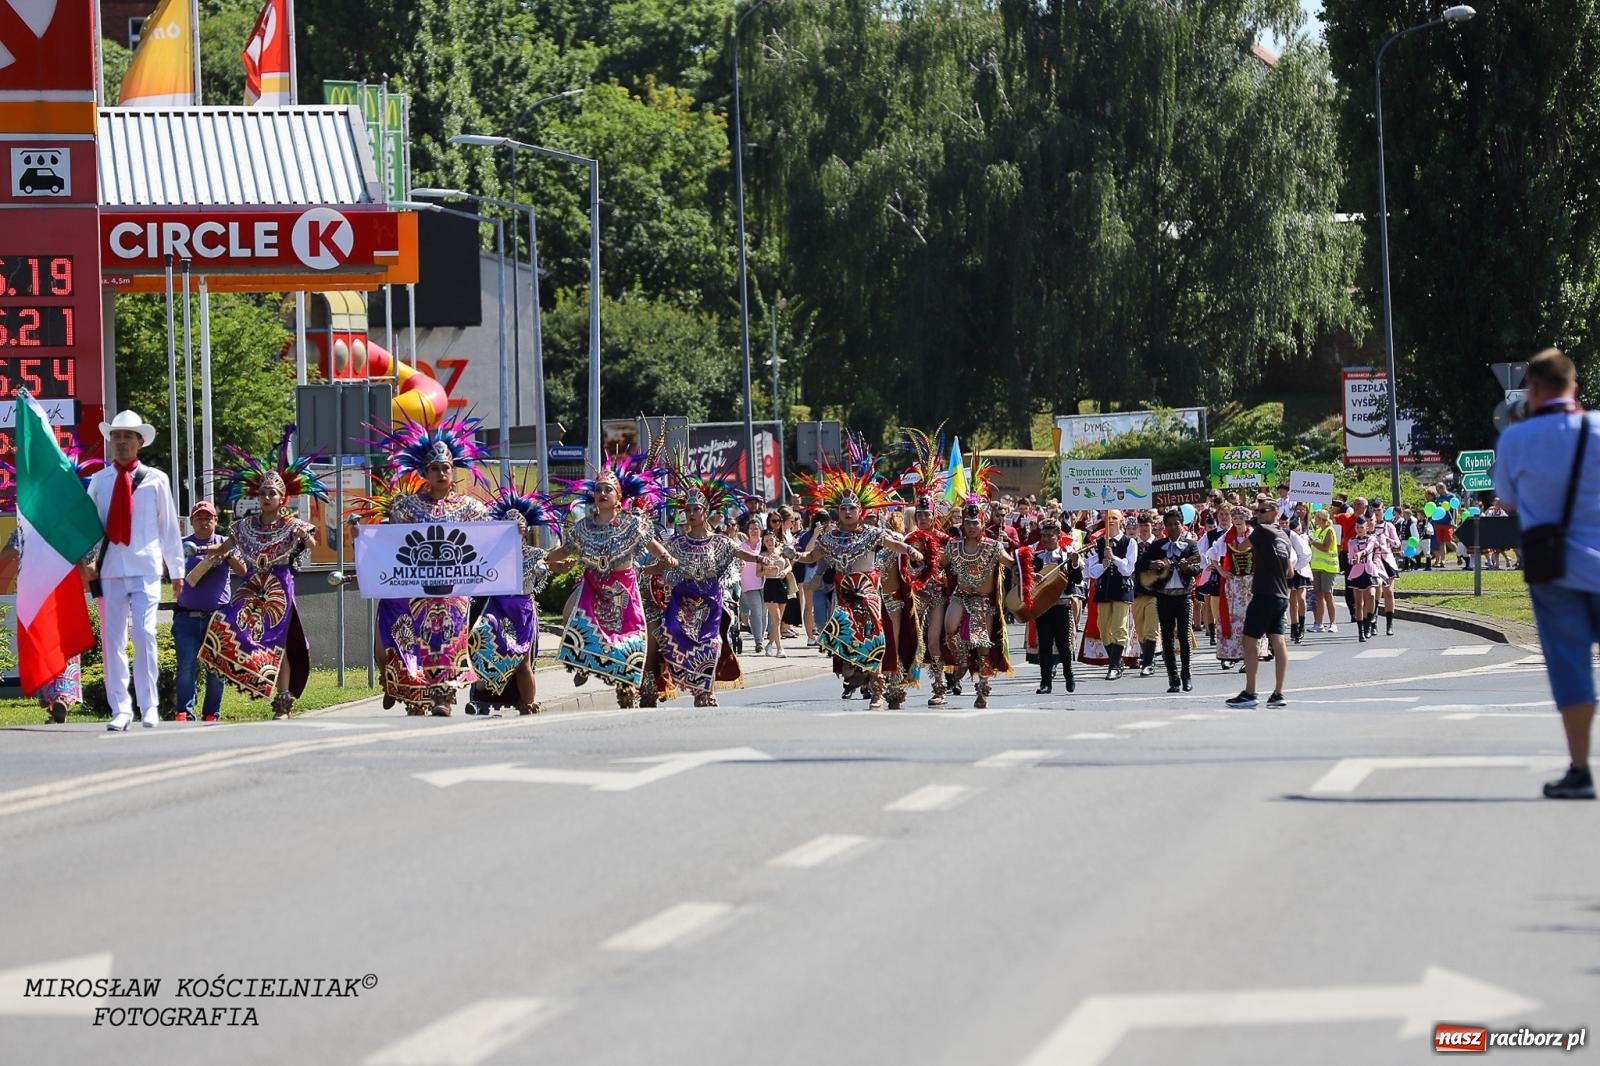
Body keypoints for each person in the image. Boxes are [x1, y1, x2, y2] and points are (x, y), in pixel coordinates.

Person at [1495, 347, 1600, 799]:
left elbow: (1509, 499)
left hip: (1554, 568)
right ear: (1573, 385)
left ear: (1533, 389)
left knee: (1571, 667)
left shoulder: (1516, 440)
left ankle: (1579, 768)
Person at [369, 416, 492, 716]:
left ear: (453, 472)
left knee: (449, 639)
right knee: (415, 643)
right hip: (416, 589)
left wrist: (512, 536)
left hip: (455, 588)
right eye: (435, 468)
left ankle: (444, 697)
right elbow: (393, 544)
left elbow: (490, 539)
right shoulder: (406, 507)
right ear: (425, 472)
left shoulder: (472, 508)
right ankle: (413, 694)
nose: (440, 472)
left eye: (446, 468)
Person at [199, 429, 326, 719]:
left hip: (280, 587)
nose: (267, 496)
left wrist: (304, 537)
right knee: (232, 629)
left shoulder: (292, 523)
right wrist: (207, 553)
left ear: (283, 498)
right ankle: (242, 674)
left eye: (273, 493)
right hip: (253, 585)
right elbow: (225, 546)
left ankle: (283, 701)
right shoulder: (245, 526)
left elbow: (312, 543)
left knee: (280, 642)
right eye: (263, 492)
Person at [546, 459, 678, 707]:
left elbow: (651, 543)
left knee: (628, 639)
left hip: (622, 589)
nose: (602, 493)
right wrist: (543, 558)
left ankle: (629, 688)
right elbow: (565, 550)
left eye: (608, 489)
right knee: (568, 614)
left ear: (619, 496)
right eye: (598, 489)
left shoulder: (632, 523)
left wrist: (665, 556)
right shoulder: (583, 527)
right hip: (592, 586)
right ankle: (583, 661)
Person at [83, 410, 186, 731]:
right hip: (110, 569)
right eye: (116, 435)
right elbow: (88, 526)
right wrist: (88, 559)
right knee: (113, 640)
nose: (121, 441)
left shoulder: (156, 479)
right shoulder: (99, 481)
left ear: (140, 442)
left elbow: (168, 527)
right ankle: (121, 708)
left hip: (146, 567)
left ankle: (149, 704)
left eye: (128, 436)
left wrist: (178, 570)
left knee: (144, 633)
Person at [791, 467, 924, 709]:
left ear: (860, 511)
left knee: (876, 640)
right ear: (837, 512)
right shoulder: (830, 538)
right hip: (844, 598)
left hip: (869, 596)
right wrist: (794, 554)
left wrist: (911, 550)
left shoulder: (872, 534)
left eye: (852, 508)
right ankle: (859, 678)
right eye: (843, 508)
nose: (848, 511)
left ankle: (878, 690)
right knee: (846, 650)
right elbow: (812, 557)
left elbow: (895, 543)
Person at [656, 476, 769, 706]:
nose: (691, 514)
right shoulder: (676, 544)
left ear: (706, 511)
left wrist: (759, 558)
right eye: (687, 510)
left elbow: (739, 553)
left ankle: (707, 691)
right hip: (683, 598)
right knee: (671, 633)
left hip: (710, 598)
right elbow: (662, 564)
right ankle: (694, 685)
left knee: (711, 643)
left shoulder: (720, 542)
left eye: (696, 509)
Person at [465, 484, 559, 716]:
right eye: (508, 527)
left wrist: (559, 567)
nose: (514, 531)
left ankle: (528, 702)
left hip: (521, 611)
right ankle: (481, 692)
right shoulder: (490, 555)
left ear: (525, 531)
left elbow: (547, 564)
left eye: (518, 527)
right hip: (496, 607)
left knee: (522, 660)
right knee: (481, 641)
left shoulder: (534, 554)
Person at [939, 496, 1017, 708]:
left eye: (976, 523)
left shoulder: (993, 546)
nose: (972, 526)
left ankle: (982, 690)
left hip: (983, 602)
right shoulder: (953, 546)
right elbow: (937, 565)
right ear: (962, 524)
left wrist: (1024, 566)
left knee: (983, 648)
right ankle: (962, 660)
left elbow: (1010, 564)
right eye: (968, 523)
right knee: (949, 627)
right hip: (960, 596)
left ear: (983, 523)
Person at [175, 500, 245, 722]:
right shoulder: (182, 544)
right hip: (186, 617)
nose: (204, 522)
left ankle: (211, 714)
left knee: (216, 669)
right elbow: (169, 572)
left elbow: (243, 571)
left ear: (216, 520)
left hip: (218, 616)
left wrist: (228, 555)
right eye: (199, 518)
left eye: (208, 518)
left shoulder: (226, 543)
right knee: (186, 667)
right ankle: (185, 713)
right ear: (192, 521)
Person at [1227, 498, 1291, 709]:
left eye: (1263, 511)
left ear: (1275, 512)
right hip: (1281, 594)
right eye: (1257, 511)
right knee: (1278, 640)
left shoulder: (1262, 531)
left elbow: (1241, 546)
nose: (1258, 515)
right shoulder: (1285, 537)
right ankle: (1278, 693)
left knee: (1249, 640)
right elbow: (1290, 571)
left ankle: (1250, 691)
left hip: (1264, 593)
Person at [1145, 509, 1202, 693]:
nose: (1173, 527)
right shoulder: (1157, 545)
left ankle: (1186, 676)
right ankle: (1173, 678)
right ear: (1165, 527)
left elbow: (1197, 568)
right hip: (1164, 596)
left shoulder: (1190, 545)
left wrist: (1187, 568)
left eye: (1176, 523)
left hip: (1183, 596)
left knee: (1184, 637)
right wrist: (1152, 565)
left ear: (1182, 525)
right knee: (1167, 638)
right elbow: (1141, 564)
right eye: (1169, 524)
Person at [1083, 509, 1138, 681]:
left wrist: (1114, 558)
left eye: (1114, 518)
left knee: (1118, 627)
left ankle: (1113, 666)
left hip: (1121, 588)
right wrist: (1104, 565)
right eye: (1108, 518)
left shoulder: (1129, 543)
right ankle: (1116, 660)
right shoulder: (1098, 543)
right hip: (1104, 588)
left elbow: (1129, 568)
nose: (1111, 521)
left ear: (1121, 520)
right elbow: (1091, 571)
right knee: (1103, 628)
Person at [1030, 518, 1080, 694]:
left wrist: (1074, 564)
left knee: (1063, 644)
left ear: (1058, 536)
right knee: (1044, 645)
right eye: (1043, 535)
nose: (1046, 539)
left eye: (1050, 535)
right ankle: (1045, 683)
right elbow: (1027, 583)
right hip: (1043, 607)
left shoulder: (1067, 556)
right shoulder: (1036, 558)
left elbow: (1077, 580)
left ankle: (1069, 674)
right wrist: (1033, 577)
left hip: (1061, 605)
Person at [1307, 508, 1339, 633]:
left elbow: (1325, 547)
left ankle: (1333, 623)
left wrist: (1312, 542)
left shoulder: (1329, 530)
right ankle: (1319, 623)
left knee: (1328, 594)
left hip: (1328, 568)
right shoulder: (1319, 531)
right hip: (1317, 567)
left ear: (1320, 518)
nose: (1315, 519)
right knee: (1318, 595)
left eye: (1316, 517)